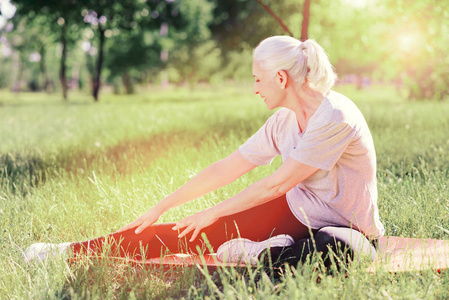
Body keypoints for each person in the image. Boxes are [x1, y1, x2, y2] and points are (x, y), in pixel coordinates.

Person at [25, 36, 384, 269]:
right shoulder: (283, 121)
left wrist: (213, 211)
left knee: (334, 250)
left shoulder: (334, 116)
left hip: (347, 228)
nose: (253, 88)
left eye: (258, 79)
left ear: (280, 78)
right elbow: (227, 168)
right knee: (187, 233)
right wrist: (164, 205)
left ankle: (263, 252)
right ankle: (66, 251)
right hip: (299, 213)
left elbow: (276, 185)